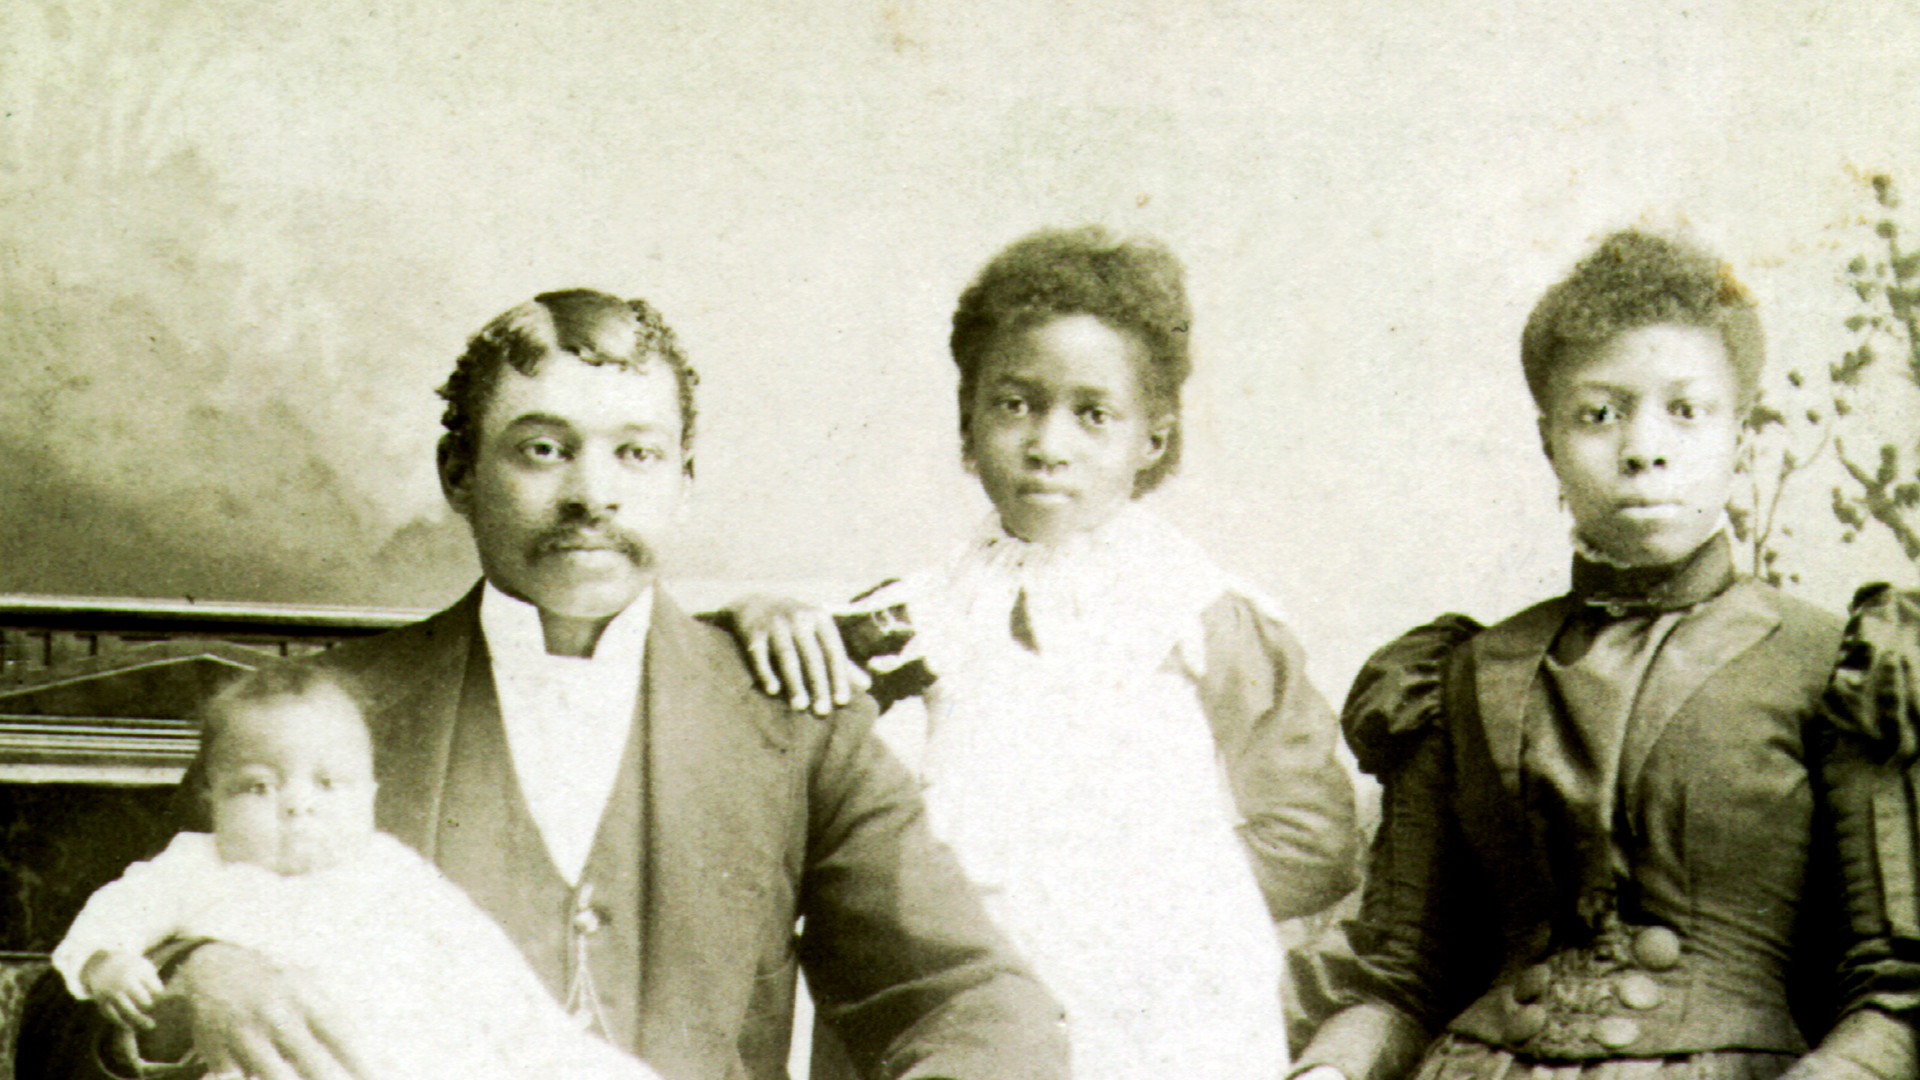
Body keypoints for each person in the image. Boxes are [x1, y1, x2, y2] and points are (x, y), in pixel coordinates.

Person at [21, 288, 1066, 1080]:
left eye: (637, 454)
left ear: (684, 481)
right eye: (541, 449)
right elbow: (59, 1027)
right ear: (459, 477)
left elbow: (969, 992)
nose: (593, 495)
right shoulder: (316, 715)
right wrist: (191, 990)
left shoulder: (787, 718)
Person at [728, 226, 1360, 1080]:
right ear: (968, 419)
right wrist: (757, 614)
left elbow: (1314, 839)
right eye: (1015, 403)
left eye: (1092, 414)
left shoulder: (1201, 618)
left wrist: (1137, 914)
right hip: (955, 997)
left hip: (1159, 1005)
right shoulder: (916, 613)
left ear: (1154, 439)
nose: (1047, 444)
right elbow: (770, 746)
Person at [1287, 230, 1919, 1080]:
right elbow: (1400, 978)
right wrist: (1328, 1071)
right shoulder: (1461, 675)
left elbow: (1895, 994)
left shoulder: (1837, 666)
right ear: (1549, 442)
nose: (1642, 448)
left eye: (1686, 410)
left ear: (1742, 436)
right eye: (1599, 413)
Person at [52, 664, 662, 1080]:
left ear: (369, 792)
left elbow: (482, 958)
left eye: (327, 783)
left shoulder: (390, 868)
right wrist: (108, 964)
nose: (296, 804)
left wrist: (553, 1046)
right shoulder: (192, 865)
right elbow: (109, 918)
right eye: (257, 786)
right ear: (211, 795)